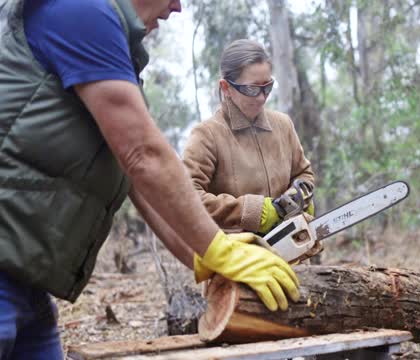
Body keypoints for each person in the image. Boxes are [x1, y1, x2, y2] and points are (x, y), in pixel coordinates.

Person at [0, 1, 299, 359]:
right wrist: (219, 247)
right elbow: (143, 156)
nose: (177, 7)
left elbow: (138, 178)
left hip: (25, 283)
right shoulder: (80, 9)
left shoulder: (110, 47)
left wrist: (203, 256)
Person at [182, 39, 316, 238]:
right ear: (226, 87)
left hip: (293, 246)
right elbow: (187, 196)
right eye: (252, 89)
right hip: (237, 255)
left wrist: (297, 197)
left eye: (267, 87)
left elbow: (304, 174)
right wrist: (250, 211)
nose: (262, 97)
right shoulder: (207, 135)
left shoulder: (283, 125)